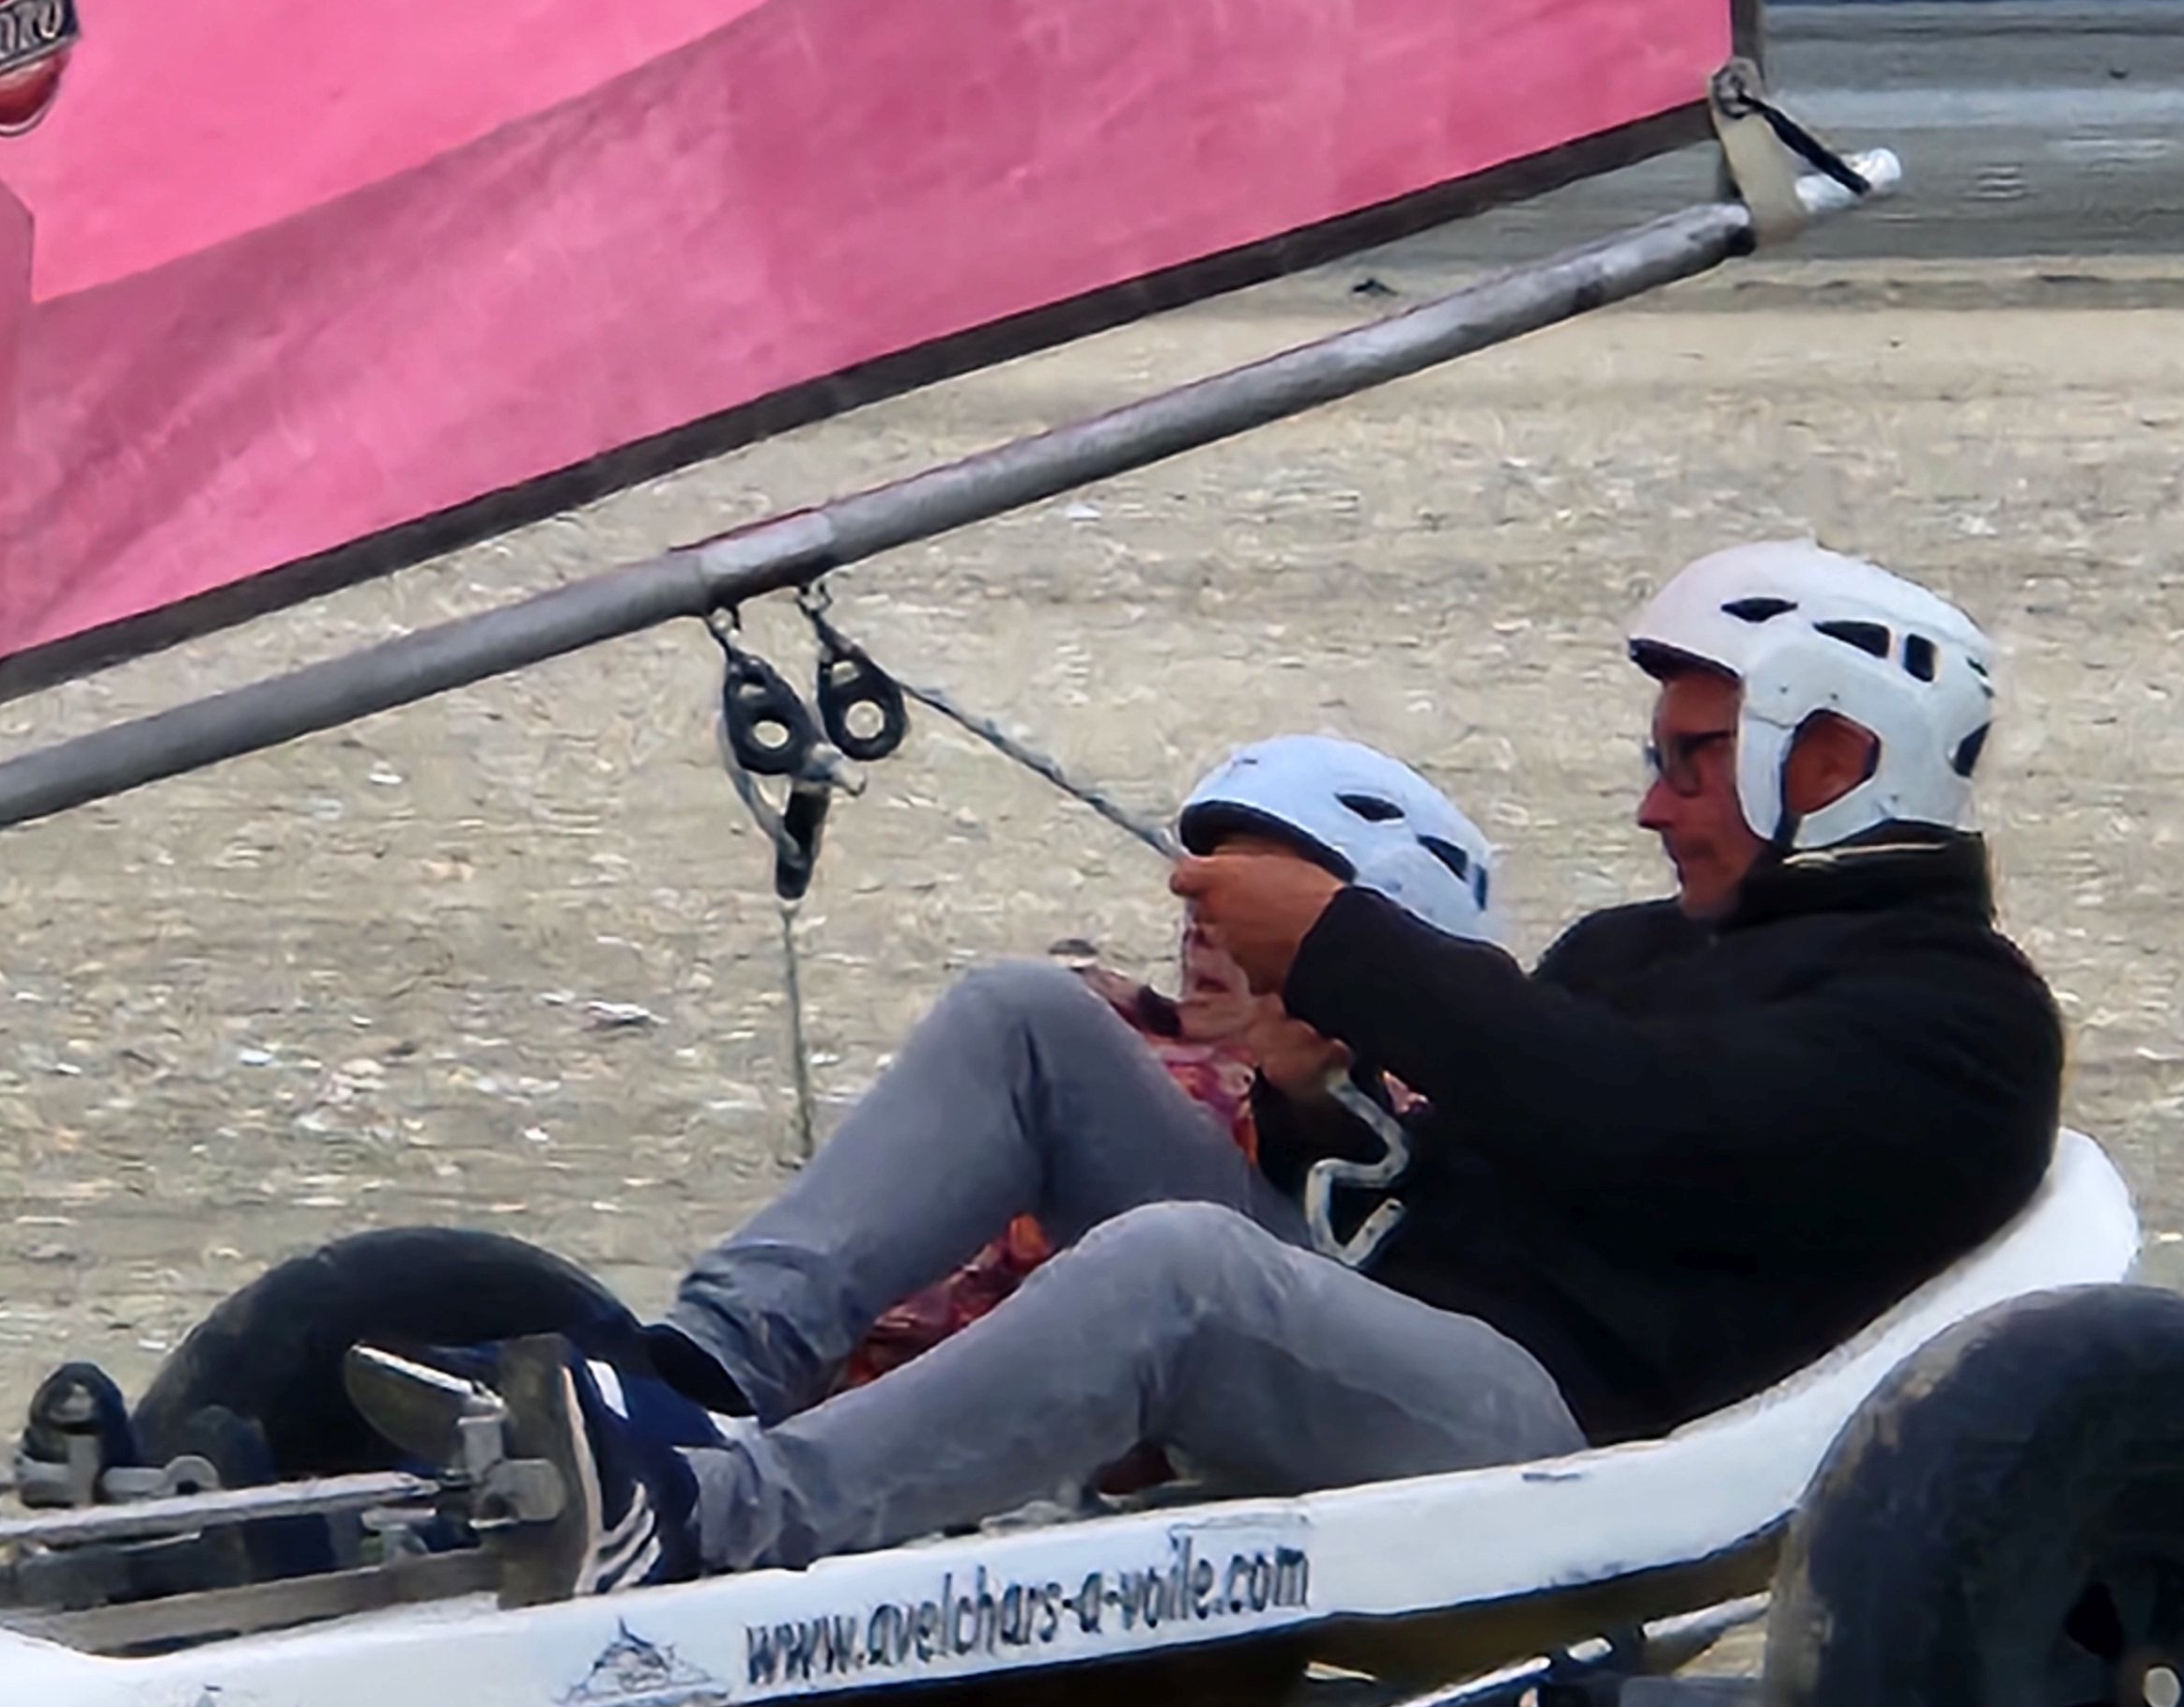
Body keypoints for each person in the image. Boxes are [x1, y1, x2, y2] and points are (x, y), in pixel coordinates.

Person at [349, 545, 2066, 1595]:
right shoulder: (1641, 947)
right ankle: (698, 1374)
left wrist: (1341, 946)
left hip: (1575, 1433)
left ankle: (719, 1519)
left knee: (1175, 1274)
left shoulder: (1955, 1020)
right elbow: (1502, 1152)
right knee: (1035, 1018)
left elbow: (1654, 1142)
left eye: (1694, 761)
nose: (1650, 803)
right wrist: (1324, 1093)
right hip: (1428, 1326)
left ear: (1835, 759)